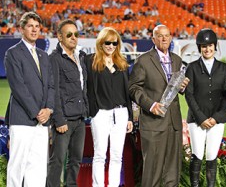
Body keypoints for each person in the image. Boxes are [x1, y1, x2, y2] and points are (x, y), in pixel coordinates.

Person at [128, 24, 190, 187]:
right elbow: (133, 88)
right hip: (153, 123)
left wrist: (182, 86)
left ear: (170, 38)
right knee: (152, 173)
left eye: (167, 35)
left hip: (174, 123)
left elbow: (176, 88)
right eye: (160, 36)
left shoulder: (177, 60)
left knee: (172, 173)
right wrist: (150, 105)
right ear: (153, 39)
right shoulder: (143, 60)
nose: (164, 39)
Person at [4, 11, 55, 187]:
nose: (34, 30)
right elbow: (18, 87)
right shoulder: (13, 53)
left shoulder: (44, 55)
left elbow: (51, 86)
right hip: (22, 120)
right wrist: (36, 112)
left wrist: (48, 109)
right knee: (17, 167)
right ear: (21, 29)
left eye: (37, 26)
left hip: (42, 121)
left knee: (39, 168)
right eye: (30, 26)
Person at [84, 27, 133, 187]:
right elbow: (88, 89)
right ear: (101, 42)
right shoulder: (91, 62)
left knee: (117, 155)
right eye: (108, 42)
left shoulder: (123, 63)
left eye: (114, 43)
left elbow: (127, 94)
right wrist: (93, 111)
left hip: (121, 113)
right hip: (101, 114)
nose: (111, 46)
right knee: (99, 154)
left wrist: (130, 117)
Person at [185, 28, 226, 187]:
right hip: (197, 119)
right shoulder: (191, 68)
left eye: (210, 45)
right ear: (199, 48)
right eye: (204, 46)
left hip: (216, 120)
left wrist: (217, 117)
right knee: (197, 154)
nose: (207, 49)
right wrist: (201, 118)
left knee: (212, 155)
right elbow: (189, 95)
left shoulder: (224, 68)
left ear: (215, 46)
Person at [47, 19, 89, 187]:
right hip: (64, 120)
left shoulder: (81, 57)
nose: (73, 37)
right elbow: (53, 90)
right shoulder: (54, 59)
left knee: (75, 160)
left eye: (76, 34)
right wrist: (59, 119)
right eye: (69, 34)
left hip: (80, 118)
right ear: (59, 37)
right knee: (57, 161)